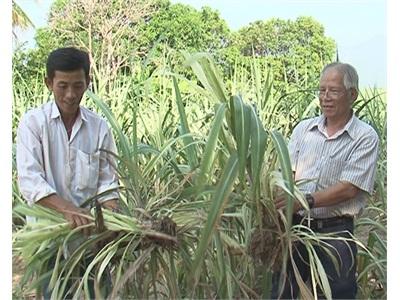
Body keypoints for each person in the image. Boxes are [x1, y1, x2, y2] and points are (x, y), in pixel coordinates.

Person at [16, 47, 119, 297]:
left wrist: (111, 218)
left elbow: (108, 184)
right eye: (62, 86)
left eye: (78, 85)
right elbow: (30, 182)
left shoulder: (99, 127)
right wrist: (69, 210)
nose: (71, 94)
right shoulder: (33, 124)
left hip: (91, 242)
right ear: (49, 82)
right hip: (50, 244)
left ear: (88, 83)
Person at [273, 62, 379, 299]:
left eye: (333, 90)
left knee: (335, 295)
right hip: (295, 229)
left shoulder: (364, 136)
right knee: (282, 293)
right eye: (322, 90)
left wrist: (304, 200)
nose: (325, 98)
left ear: (352, 94)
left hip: (335, 235)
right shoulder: (303, 130)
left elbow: (349, 188)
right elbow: (287, 174)